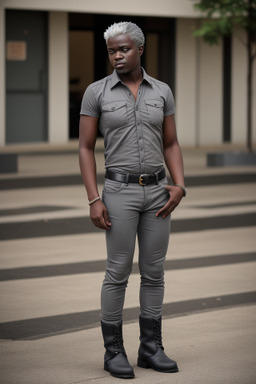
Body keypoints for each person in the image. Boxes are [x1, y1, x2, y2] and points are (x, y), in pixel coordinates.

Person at [79, 21, 186, 379]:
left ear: (140, 49)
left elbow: (171, 143)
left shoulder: (162, 91)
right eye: (111, 50)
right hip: (119, 192)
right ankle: (113, 352)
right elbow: (85, 147)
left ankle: (151, 348)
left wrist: (179, 184)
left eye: (123, 49)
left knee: (154, 273)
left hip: (158, 192)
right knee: (118, 271)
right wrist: (95, 198)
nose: (117, 56)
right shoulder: (97, 92)